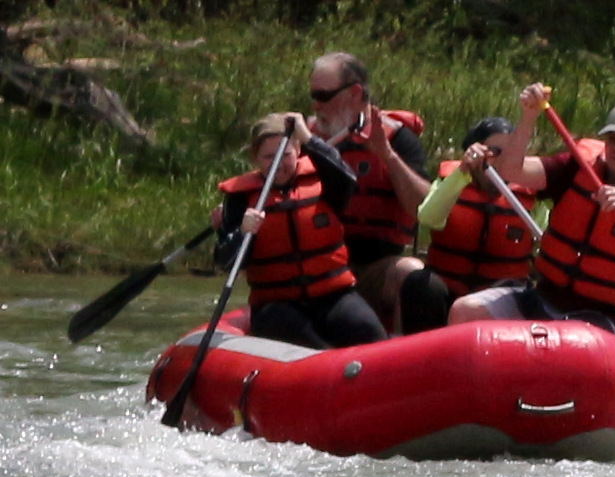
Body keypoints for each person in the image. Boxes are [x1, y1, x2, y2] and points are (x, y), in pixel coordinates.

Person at [450, 84, 615, 338]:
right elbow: (510, 172)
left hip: (600, 315)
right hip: (543, 296)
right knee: (465, 310)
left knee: (567, 342)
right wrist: (528, 117)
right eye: (613, 140)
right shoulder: (576, 167)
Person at [214, 113, 388, 350]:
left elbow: (347, 178)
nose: (279, 164)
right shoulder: (240, 199)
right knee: (307, 342)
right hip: (277, 305)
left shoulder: (325, 181)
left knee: (369, 331)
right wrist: (244, 233)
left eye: (285, 155)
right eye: (268, 157)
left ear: (298, 151)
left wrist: (308, 138)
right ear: (255, 158)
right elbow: (224, 261)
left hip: (332, 296)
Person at [306, 52, 430, 331]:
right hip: (317, 268)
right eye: (313, 95)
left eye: (323, 96)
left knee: (413, 275)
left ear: (355, 93)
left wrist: (388, 157)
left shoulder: (397, 137)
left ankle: (402, 358)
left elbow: (423, 208)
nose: (316, 105)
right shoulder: (305, 137)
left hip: (375, 267)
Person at [398, 116, 539, 334]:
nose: (502, 161)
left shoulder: (529, 197)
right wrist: (462, 173)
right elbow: (427, 217)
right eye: (494, 152)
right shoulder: (453, 181)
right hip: (448, 289)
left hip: (498, 298)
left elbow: (546, 245)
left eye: (511, 153)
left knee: (520, 294)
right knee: (420, 285)